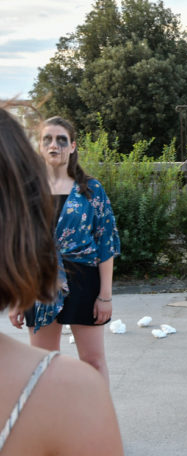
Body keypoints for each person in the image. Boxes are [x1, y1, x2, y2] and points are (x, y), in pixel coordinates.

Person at [0, 107, 123, 454]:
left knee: (93, 361)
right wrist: (18, 297)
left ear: (72, 147)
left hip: (84, 279)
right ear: (39, 146)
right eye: (47, 140)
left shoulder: (91, 190)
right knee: (41, 366)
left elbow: (106, 242)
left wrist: (105, 295)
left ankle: (98, 429)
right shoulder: (29, 190)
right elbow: (21, 244)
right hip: (39, 281)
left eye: (61, 140)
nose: (54, 145)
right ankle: (48, 435)